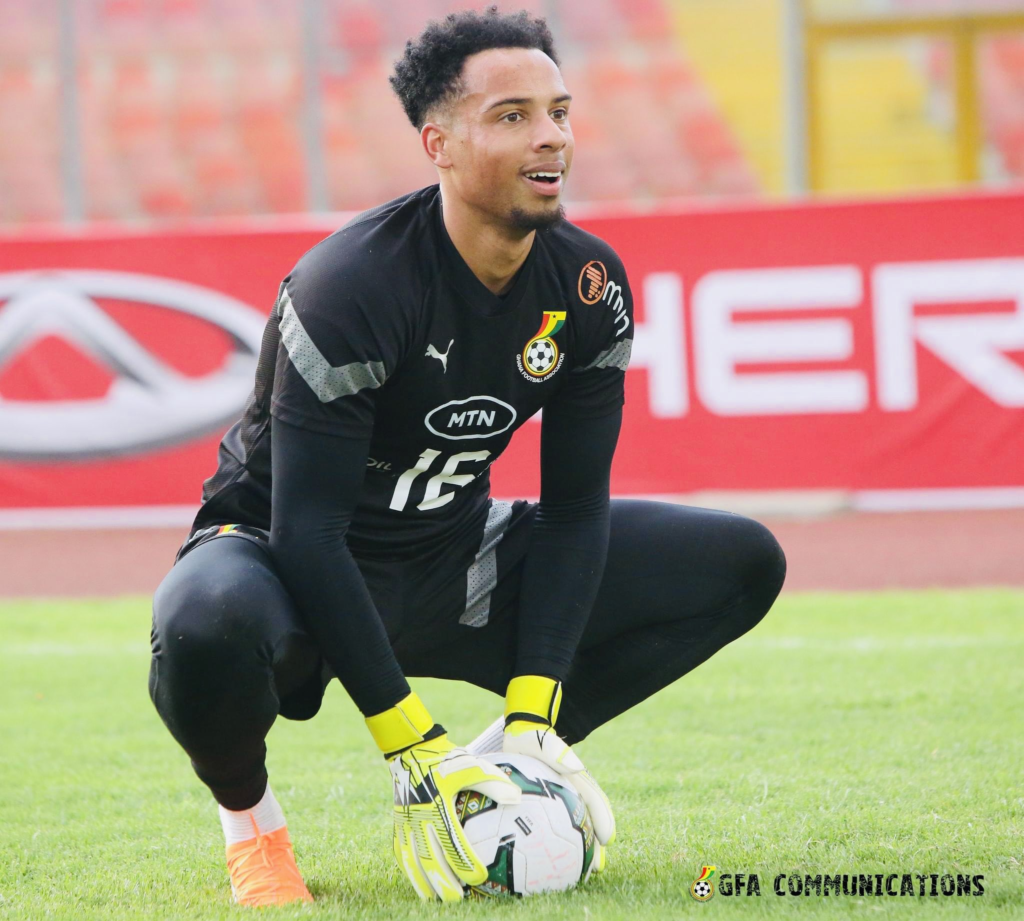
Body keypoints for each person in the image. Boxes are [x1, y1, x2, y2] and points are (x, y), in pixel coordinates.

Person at [148, 6, 786, 908]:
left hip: (451, 556)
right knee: (199, 623)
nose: (552, 138)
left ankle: (508, 766)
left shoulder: (588, 286)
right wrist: (411, 739)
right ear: (438, 143)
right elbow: (308, 524)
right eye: (514, 115)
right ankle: (252, 827)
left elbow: (572, 512)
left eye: (560, 111)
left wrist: (534, 711)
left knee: (740, 561)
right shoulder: (349, 286)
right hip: (283, 562)